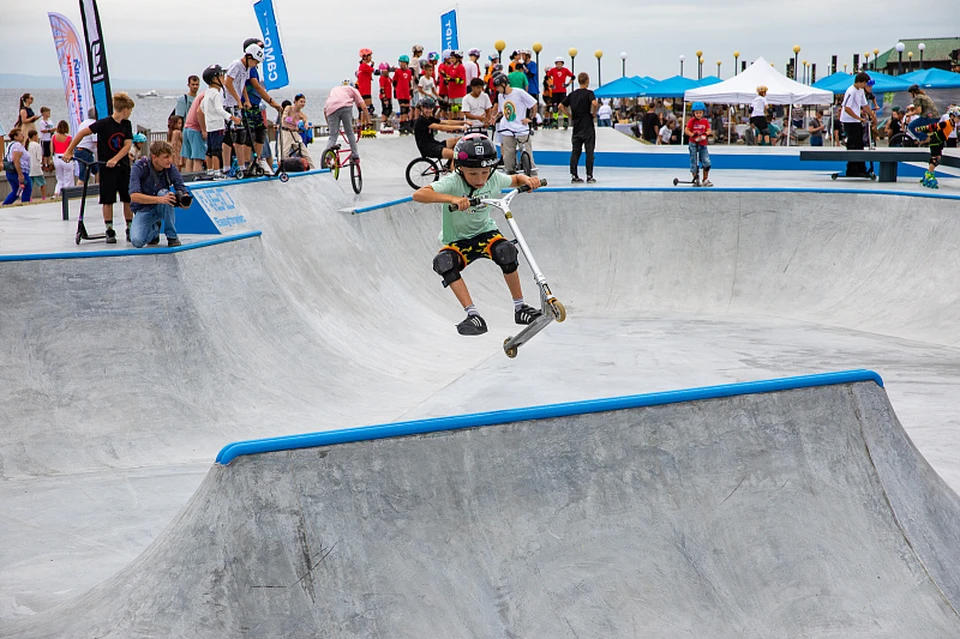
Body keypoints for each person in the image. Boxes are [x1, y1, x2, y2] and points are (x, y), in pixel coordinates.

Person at [411, 133, 543, 336]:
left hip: (486, 234)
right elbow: (419, 194)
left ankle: (520, 308)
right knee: (444, 262)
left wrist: (526, 180)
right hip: (457, 241)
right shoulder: (453, 182)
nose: (480, 179)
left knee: (507, 251)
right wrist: (453, 199)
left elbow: (515, 179)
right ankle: (473, 315)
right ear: (459, 168)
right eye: (473, 174)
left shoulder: (493, 178)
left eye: (484, 172)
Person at [62, 92, 137, 242]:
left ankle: (130, 228)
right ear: (125, 110)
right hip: (106, 167)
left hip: (122, 166)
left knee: (127, 198)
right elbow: (82, 133)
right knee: (107, 199)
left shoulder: (126, 124)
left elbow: (127, 145)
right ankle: (109, 230)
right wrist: (69, 150)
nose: (130, 113)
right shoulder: (103, 124)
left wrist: (115, 159)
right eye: (130, 110)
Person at [129, 140, 189, 248]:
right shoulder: (139, 167)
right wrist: (160, 199)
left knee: (165, 194)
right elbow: (134, 196)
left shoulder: (170, 168)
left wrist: (185, 200)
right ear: (154, 157)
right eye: (166, 157)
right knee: (137, 241)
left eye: (170, 156)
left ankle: (172, 236)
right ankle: (154, 231)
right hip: (144, 209)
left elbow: (181, 188)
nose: (169, 160)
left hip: (162, 207)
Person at [241, 37, 284, 173]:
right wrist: (273, 103)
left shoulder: (254, 67)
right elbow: (257, 88)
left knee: (260, 133)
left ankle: (257, 160)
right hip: (247, 106)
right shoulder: (247, 68)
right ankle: (248, 163)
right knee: (250, 135)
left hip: (255, 105)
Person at [223, 43, 265, 173]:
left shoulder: (246, 69)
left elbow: (242, 87)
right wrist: (237, 99)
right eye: (255, 62)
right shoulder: (237, 65)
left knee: (241, 135)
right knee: (229, 136)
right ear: (249, 57)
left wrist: (246, 100)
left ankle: (242, 167)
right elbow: (227, 83)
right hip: (228, 104)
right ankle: (226, 168)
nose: (255, 65)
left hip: (237, 104)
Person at [493, 72, 538, 175]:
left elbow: (534, 104)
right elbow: (502, 111)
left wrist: (529, 118)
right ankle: (511, 175)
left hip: (521, 128)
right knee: (508, 156)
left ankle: (533, 175)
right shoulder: (500, 96)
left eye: (498, 87)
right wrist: (494, 118)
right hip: (506, 129)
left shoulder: (519, 92)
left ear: (504, 85)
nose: (497, 89)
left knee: (527, 152)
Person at [200, 64, 241, 173]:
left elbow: (202, 107)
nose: (224, 78)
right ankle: (217, 171)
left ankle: (210, 170)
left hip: (209, 125)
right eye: (222, 76)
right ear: (214, 79)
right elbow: (219, 109)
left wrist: (210, 115)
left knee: (209, 150)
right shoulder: (216, 93)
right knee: (216, 150)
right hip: (217, 126)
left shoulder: (207, 92)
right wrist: (233, 118)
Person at [559, 72, 597, 183]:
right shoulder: (589, 93)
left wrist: (569, 115)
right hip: (588, 125)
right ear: (587, 81)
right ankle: (589, 175)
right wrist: (594, 113)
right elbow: (594, 103)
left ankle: (574, 175)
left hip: (577, 125)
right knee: (589, 151)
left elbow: (561, 106)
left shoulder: (572, 94)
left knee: (576, 151)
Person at [913, 106, 960, 189]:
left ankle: (928, 174)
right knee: (935, 159)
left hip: (940, 142)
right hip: (935, 141)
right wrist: (921, 128)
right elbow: (934, 126)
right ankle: (929, 175)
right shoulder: (946, 123)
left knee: (938, 158)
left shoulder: (953, 124)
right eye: (958, 117)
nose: (959, 119)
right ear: (952, 116)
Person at [322, 82, 369, 162]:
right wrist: (368, 121)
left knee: (333, 136)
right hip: (345, 107)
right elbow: (364, 107)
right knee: (349, 132)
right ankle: (355, 155)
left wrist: (329, 126)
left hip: (331, 109)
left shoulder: (335, 89)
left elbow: (325, 111)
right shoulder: (353, 89)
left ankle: (327, 158)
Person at [414, 96, 468, 161]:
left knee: (458, 140)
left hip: (434, 144)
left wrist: (464, 122)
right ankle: (453, 168)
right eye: (426, 108)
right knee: (458, 155)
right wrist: (460, 127)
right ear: (422, 108)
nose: (429, 110)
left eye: (430, 108)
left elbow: (447, 122)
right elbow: (441, 127)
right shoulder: (421, 120)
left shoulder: (429, 118)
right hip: (428, 148)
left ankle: (449, 164)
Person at [840, 72, 870, 177]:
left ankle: (861, 168)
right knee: (853, 145)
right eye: (865, 83)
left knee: (860, 144)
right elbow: (847, 108)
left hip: (856, 121)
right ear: (860, 82)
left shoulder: (860, 91)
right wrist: (859, 118)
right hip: (849, 121)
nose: (866, 85)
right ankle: (852, 169)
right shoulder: (851, 91)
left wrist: (872, 115)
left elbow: (864, 105)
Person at [281, 94, 316, 168]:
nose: (303, 104)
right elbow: (284, 118)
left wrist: (306, 125)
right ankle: (282, 169)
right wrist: (294, 120)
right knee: (284, 152)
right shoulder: (288, 108)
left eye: (304, 102)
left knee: (304, 151)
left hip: (294, 133)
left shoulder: (301, 114)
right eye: (301, 101)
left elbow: (305, 120)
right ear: (295, 102)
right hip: (286, 132)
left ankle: (312, 168)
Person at [684, 101, 712, 187]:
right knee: (694, 161)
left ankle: (705, 179)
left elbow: (709, 130)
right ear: (693, 113)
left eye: (700, 113)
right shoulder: (692, 121)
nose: (698, 114)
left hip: (703, 144)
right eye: (696, 113)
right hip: (693, 143)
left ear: (703, 112)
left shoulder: (705, 121)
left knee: (706, 162)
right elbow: (686, 130)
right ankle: (696, 179)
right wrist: (693, 135)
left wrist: (705, 134)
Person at [2, 127, 31, 205]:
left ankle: (5, 205)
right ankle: (25, 204)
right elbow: (16, 160)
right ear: (15, 137)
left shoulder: (10, 145)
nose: (23, 136)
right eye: (20, 134)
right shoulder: (17, 145)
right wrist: (20, 174)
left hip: (10, 172)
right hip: (18, 172)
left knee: (16, 191)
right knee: (27, 188)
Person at [546, 58, 574, 128]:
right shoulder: (553, 70)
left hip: (562, 91)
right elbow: (546, 77)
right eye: (557, 64)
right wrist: (550, 85)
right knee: (555, 107)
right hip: (555, 91)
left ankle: (565, 120)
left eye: (560, 64)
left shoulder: (565, 70)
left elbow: (573, 77)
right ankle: (555, 121)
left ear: (562, 64)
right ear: (555, 64)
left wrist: (567, 84)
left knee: (563, 106)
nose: (559, 65)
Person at [74, 107, 98, 183]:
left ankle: (97, 187)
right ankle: (98, 189)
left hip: (78, 149)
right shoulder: (94, 124)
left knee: (95, 171)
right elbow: (96, 141)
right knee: (84, 175)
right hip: (85, 151)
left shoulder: (84, 122)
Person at [51, 120, 74, 197]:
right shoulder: (69, 138)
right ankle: (67, 193)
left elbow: (52, 149)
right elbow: (71, 150)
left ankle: (56, 193)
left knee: (59, 178)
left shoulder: (54, 137)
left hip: (57, 157)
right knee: (68, 178)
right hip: (66, 157)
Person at [394, 56, 415, 135]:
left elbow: (409, 83)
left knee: (406, 109)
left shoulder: (409, 72)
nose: (402, 64)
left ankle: (406, 124)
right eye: (401, 62)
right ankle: (402, 125)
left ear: (406, 63)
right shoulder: (397, 72)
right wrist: (395, 92)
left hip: (407, 92)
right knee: (402, 108)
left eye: (403, 63)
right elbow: (394, 82)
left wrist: (411, 92)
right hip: (400, 92)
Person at [27, 130, 47, 201]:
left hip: (29, 167)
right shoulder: (37, 145)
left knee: (30, 185)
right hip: (36, 167)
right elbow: (39, 157)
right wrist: (41, 164)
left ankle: (29, 198)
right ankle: (43, 197)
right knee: (42, 183)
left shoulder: (28, 145)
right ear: (35, 136)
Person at [356, 48, 376, 116]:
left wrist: (372, 66)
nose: (371, 58)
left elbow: (368, 73)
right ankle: (364, 124)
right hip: (364, 90)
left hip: (365, 90)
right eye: (370, 56)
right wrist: (390, 69)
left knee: (366, 109)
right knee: (367, 109)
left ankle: (364, 124)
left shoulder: (363, 66)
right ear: (365, 57)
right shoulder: (364, 66)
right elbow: (376, 72)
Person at [378, 62, 394, 129]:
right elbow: (382, 89)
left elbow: (392, 81)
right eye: (386, 69)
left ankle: (385, 122)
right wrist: (384, 98)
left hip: (389, 96)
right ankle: (383, 123)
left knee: (390, 109)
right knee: (385, 109)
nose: (387, 71)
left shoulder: (387, 78)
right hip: (385, 97)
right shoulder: (382, 78)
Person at [38, 107, 55, 172]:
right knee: (45, 152)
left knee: (49, 152)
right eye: (48, 113)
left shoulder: (50, 121)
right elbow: (42, 130)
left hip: (50, 138)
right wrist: (49, 130)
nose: (49, 114)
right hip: (45, 139)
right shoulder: (42, 122)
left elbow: (52, 128)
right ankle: (44, 164)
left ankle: (49, 163)